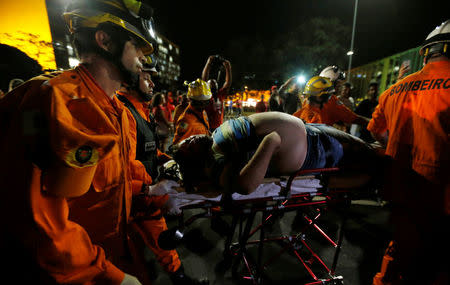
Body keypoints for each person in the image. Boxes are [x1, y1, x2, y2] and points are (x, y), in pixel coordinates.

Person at [0, 0, 155, 284]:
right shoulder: (56, 101)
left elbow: (113, 184)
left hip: (106, 260)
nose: (144, 59)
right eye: (137, 46)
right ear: (105, 40)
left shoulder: (117, 111)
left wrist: (153, 190)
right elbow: (42, 227)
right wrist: (110, 276)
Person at [369, 20, 450, 285]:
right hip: (440, 197)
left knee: (398, 251)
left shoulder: (394, 89)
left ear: (426, 52)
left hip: (399, 188)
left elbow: (376, 130)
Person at [116, 57, 207, 285]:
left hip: (142, 198)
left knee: (161, 244)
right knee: (132, 259)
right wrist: (155, 192)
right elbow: (123, 169)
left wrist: (164, 160)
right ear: (129, 79)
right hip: (132, 201)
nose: (152, 84)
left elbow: (146, 151)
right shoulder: (124, 114)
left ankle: (178, 277)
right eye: (146, 78)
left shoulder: (138, 110)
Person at [173, 112, 383, 195]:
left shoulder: (215, 142)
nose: (192, 139)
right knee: (372, 165)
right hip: (313, 151)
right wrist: (270, 142)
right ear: (196, 161)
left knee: (368, 149)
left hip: (311, 130)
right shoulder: (217, 163)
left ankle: (384, 164)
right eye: (189, 146)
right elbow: (245, 185)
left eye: (188, 139)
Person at [292, 76, 369, 130]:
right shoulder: (331, 102)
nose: (337, 90)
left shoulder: (305, 103)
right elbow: (353, 118)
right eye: (337, 85)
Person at [172, 79, 211, 145]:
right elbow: (177, 145)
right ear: (190, 100)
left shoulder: (203, 112)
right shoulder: (185, 120)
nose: (204, 105)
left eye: (206, 101)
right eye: (200, 102)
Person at [201, 55, 232, 131]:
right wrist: (208, 64)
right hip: (207, 127)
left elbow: (228, 83)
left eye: (214, 83)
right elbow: (204, 79)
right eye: (211, 83)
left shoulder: (220, 95)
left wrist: (228, 68)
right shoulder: (206, 95)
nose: (213, 84)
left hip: (219, 127)